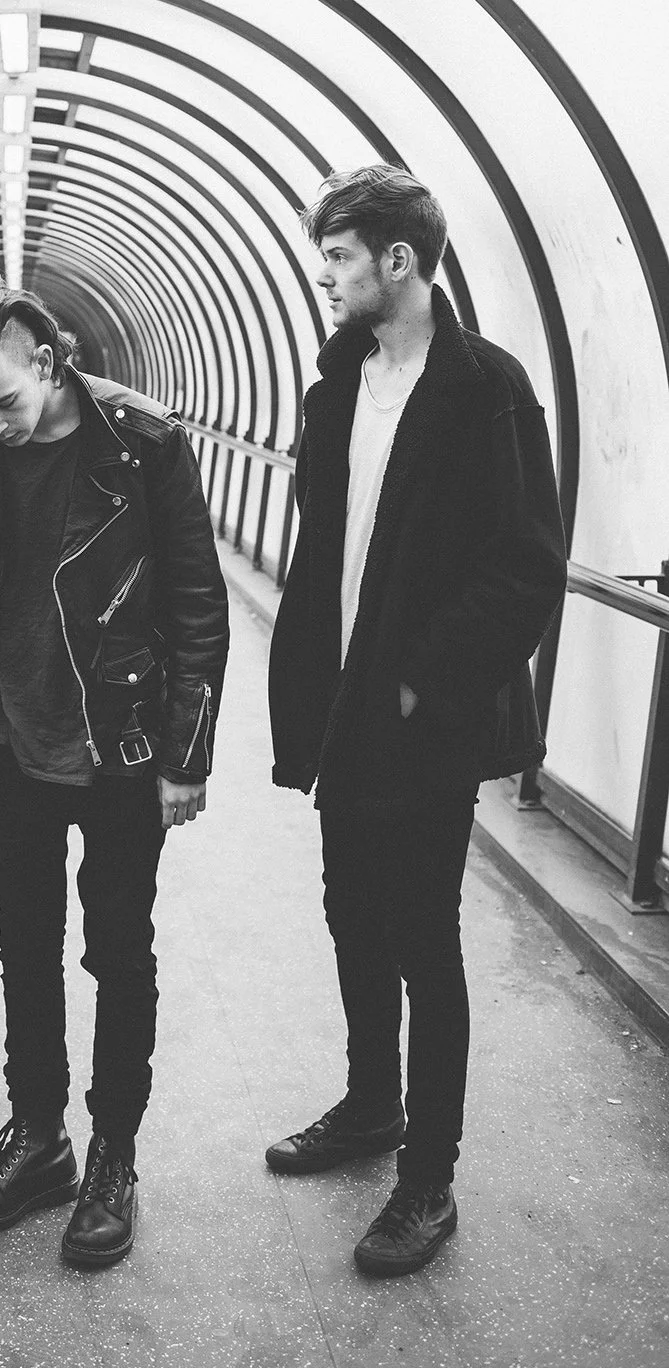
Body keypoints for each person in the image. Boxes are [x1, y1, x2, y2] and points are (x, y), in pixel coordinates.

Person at [0, 273, 230, 1269]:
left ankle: (113, 1152)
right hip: (7, 735)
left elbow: (196, 600)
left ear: (44, 357)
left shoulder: (142, 440)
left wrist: (186, 753)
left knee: (118, 950)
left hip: (120, 742)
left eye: (3, 400)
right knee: (25, 941)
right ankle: (38, 1136)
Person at [266, 165, 566, 1276]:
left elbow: (526, 561)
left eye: (340, 255)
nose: (325, 273)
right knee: (352, 908)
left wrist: (419, 681)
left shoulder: (487, 386)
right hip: (347, 709)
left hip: (422, 718)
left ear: (397, 258)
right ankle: (368, 1103)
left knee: (422, 937)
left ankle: (427, 1177)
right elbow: (325, 536)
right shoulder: (337, 380)